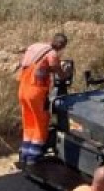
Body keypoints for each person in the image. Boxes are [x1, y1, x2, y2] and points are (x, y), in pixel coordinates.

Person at [17, 33, 70, 166]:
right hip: (36, 91)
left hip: (23, 89)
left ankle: (24, 153)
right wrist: (65, 74)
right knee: (41, 121)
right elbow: (57, 71)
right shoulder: (52, 54)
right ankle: (34, 156)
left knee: (29, 120)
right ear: (62, 46)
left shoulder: (35, 47)